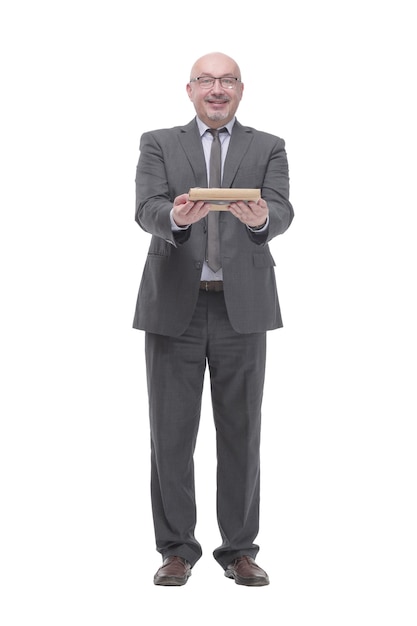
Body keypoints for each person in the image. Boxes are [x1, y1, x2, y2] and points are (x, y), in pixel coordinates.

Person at [133, 51, 294, 586]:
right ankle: (176, 550)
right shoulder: (158, 142)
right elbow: (146, 207)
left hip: (241, 309)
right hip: (173, 305)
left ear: (241, 90)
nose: (217, 89)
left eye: (227, 81)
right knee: (170, 435)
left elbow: (282, 209)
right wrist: (174, 218)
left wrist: (263, 219)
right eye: (207, 80)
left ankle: (239, 550)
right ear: (190, 89)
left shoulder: (268, 146)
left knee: (242, 433)